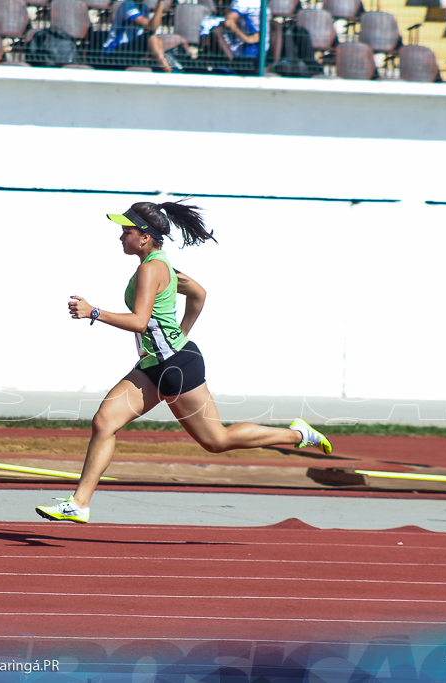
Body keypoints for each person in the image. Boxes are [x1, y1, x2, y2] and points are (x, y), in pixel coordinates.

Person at [35, 200, 331, 524]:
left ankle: (298, 435)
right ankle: (79, 503)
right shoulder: (160, 265)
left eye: (127, 231)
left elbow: (138, 321)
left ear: (145, 237)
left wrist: (94, 312)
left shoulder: (151, 269)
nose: (121, 237)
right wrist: (181, 333)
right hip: (153, 366)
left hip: (176, 367)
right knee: (104, 422)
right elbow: (199, 293)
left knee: (217, 441)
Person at [102, 0, 178, 73]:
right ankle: (167, 69)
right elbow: (152, 27)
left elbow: (152, 29)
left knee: (157, 40)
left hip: (131, 49)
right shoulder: (128, 5)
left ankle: (167, 66)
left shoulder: (144, 7)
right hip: (114, 51)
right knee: (151, 38)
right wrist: (160, 3)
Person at [210, 0, 282, 69]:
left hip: (264, 51)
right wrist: (246, 38)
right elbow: (229, 22)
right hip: (249, 51)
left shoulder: (263, 2)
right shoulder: (243, 2)